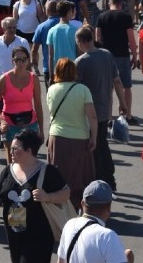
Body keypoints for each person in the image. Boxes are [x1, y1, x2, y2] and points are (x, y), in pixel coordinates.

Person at [0, 130, 71, 263]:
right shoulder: (8, 171)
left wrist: (47, 196)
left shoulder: (48, 171)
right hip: (14, 234)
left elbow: (66, 193)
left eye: (15, 149)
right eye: (11, 148)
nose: (11, 152)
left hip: (39, 236)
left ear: (29, 150)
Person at [75, 27, 126, 190]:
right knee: (102, 144)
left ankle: (100, 181)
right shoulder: (107, 54)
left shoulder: (81, 62)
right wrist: (123, 103)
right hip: (105, 110)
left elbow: (76, 89)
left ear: (81, 42)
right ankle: (110, 179)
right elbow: (117, 81)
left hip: (88, 113)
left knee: (93, 146)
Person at [47, 58, 97, 210]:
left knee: (58, 177)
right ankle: (78, 208)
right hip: (79, 138)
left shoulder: (52, 89)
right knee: (80, 178)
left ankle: (59, 209)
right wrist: (93, 137)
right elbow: (92, 116)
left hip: (56, 137)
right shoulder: (82, 89)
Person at [57, 181, 134, 263]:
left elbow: (61, 261)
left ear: (82, 204)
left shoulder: (70, 225)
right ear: (109, 208)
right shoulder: (107, 237)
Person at [0, 46, 45, 163]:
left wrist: (41, 130)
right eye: (17, 60)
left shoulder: (33, 79)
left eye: (23, 59)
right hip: (10, 124)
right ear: (12, 61)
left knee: (30, 159)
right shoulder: (4, 79)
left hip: (30, 122)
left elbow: (38, 105)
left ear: (28, 60)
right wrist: (1, 120)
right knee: (12, 160)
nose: (20, 63)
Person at [95, 0, 138, 125]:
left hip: (106, 56)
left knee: (109, 87)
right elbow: (131, 39)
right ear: (121, 4)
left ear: (109, 3)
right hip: (122, 55)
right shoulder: (126, 17)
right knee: (126, 86)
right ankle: (127, 114)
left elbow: (98, 38)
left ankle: (108, 117)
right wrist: (135, 55)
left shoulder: (101, 17)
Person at [0, 17, 32, 82]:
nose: (12, 30)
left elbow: (28, 63)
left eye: (14, 27)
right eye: (9, 28)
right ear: (3, 29)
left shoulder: (23, 42)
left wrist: (28, 80)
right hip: (0, 80)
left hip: (18, 80)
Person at [32, 0, 61, 84]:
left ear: (47, 11)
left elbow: (34, 49)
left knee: (50, 95)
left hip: (48, 67)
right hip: (66, 65)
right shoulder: (67, 25)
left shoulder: (41, 27)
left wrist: (35, 63)